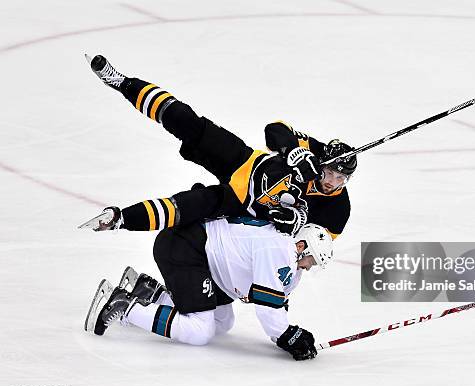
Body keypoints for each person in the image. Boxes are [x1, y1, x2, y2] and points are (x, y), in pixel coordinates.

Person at [85, 54, 356, 238]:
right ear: (324, 163)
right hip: (245, 162)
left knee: (189, 206)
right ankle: (122, 83)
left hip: (243, 206)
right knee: (185, 121)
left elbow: (314, 245)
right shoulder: (316, 151)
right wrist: (294, 151)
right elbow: (274, 130)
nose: (333, 182)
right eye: (331, 173)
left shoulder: (339, 210)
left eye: (341, 178)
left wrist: (295, 226)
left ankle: (120, 219)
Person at [85, 219, 333, 361]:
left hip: (209, 265)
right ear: (303, 245)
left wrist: (285, 337)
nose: (311, 268)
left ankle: (150, 292)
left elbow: (277, 305)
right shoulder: (279, 249)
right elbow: (268, 309)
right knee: (200, 331)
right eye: (313, 260)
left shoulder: (292, 266)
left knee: (222, 322)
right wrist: (287, 335)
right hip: (188, 248)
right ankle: (123, 305)